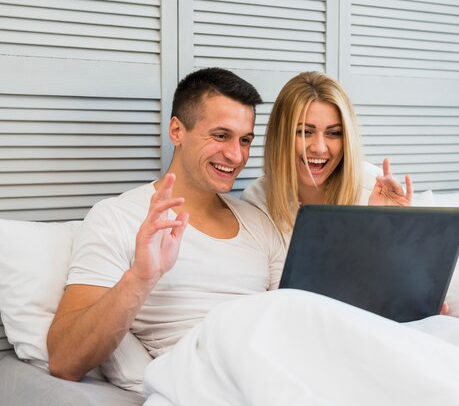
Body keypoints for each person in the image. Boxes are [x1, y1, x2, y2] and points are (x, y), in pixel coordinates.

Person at [47, 67, 285, 381]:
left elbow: (290, 319)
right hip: (202, 379)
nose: (235, 155)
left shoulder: (258, 223)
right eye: (221, 135)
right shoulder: (118, 217)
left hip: (270, 369)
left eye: (245, 140)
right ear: (177, 131)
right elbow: (64, 359)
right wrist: (141, 278)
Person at [241, 71, 415, 247]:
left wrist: (392, 231)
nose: (320, 148)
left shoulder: (375, 189)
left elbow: (408, 270)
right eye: (305, 132)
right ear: (280, 136)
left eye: (333, 133)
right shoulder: (258, 201)